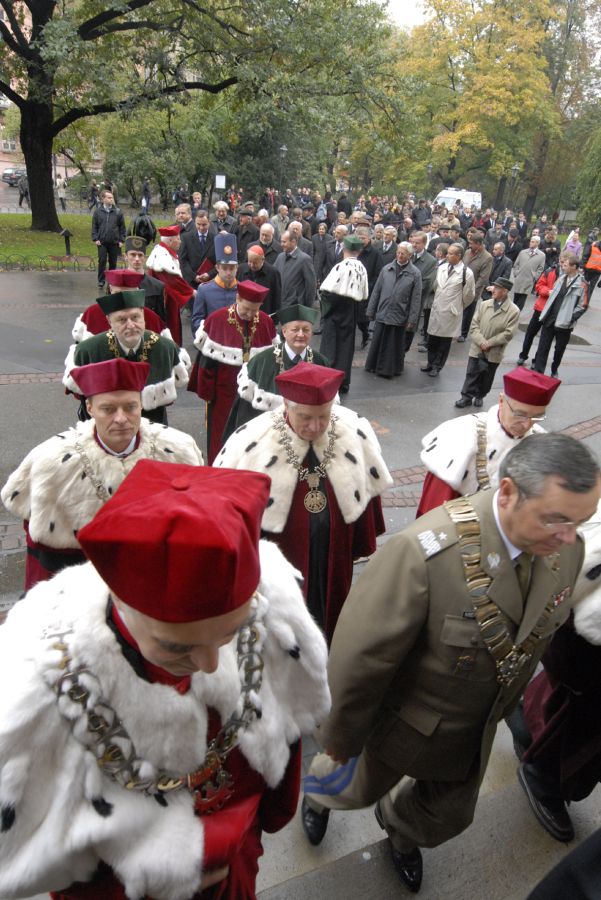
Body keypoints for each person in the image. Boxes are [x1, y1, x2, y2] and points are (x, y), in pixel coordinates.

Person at [0, 461, 330, 900]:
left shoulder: (271, 615)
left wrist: (239, 841)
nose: (211, 664)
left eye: (228, 634)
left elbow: (280, 751)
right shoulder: (41, 683)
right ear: (123, 605)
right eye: (178, 647)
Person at [302, 434, 601, 894]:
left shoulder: (566, 549)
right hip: (399, 727)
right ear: (507, 494)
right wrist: (340, 740)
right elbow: (359, 665)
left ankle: (398, 829)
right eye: (556, 519)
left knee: (448, 816)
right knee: (348, 785)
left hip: (471, 732)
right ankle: (319, 799)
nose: (568, 536)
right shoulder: (423, 556)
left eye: (578, 522)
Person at [217, 363, 391, 643]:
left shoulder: (353, 431)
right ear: (286, 404)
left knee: (329, 622)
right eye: (306, 417)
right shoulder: (252, 440)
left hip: (332, 559)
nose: (315, 426)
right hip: (280, 565)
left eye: (324, 417)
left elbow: (366, 497)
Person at [2, 358, 203, 590]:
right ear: (90, 408)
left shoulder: (179, 450)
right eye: (108, 409)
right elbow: (42, 563)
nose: (121, 419)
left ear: (141, 404)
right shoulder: (51, 462)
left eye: (130, 407)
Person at [506, 502, 601, 844]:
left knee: (569, 704)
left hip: (577, 632)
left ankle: (527, 724)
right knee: (584, 721)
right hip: (583, 631)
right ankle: (544, 778)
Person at [417, 367, 560, 515]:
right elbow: (434, 511)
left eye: (537, 417)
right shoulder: (461, 435)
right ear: (501, 400)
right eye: (520, 414)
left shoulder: (541, 444)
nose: (527, 424)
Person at [65, 288, 189, 425]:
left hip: (153, 428)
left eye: (135, 317)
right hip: (106, 430)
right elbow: (81, 396)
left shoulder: (165, 347)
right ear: (109, 321)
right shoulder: (88, 350)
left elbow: (178, 383)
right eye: (122, 320)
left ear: (143, 315)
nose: (130, 325)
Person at [191, 280, 276, 463]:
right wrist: (207, 393)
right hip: (223, 393)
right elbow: (207, 362)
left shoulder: (266, 322)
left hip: (254, 395)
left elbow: (272, 362)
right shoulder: (216, 319)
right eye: (246, 309)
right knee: (220, 437)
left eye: (255, 311)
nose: (250, 315)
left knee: (253, 438)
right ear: (237, 298)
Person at [224, 303, 329, 437]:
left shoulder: (321, 363)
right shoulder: (260, 362)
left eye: (306, 330)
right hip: (268, 438)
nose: (301, 334)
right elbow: (244, 415)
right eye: (295, 329)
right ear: (284, 332)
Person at [454, 277, 520, 409]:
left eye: (497, 288)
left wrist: (490, 343)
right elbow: (474, 325)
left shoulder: (513, 311)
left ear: (505, 291)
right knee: (471, 372)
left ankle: (480, 395)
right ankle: (466, 397)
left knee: (487, 375)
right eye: (493, 287)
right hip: (478, 347)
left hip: (494, 350)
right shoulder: (485, 304)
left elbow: (509, 333)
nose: (493, 290)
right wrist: (481, 341)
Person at [319, 234, 368, 393]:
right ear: (359, 251)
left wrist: (325, 308)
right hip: (351, 309)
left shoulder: (341, 266)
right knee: (346, 347)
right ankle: (343, 381)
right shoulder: (362, 268)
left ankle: (329, 379)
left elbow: (328, 291)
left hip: (336, 310)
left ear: (345, 249)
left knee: (331, 346)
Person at [365, 241, 421, 379]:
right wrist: (371, 310)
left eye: (403, 253)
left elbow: (416, 299)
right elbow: (377, 291)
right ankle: (372, 365)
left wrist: (412, 320)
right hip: (383, 312)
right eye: (398, 253)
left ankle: (389, 369)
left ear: (409, 255)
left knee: (392, 345)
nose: (400, 255)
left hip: (399, 314)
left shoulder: (415, 273)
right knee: (378, 341)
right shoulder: (386, 269)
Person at [422, 243, 475, 377]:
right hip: (437, 307)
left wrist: (456, 305)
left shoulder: (466, 273)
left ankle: (437, 366)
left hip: (451, 311)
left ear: (459, 256)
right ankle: (430, 363)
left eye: (451, 253)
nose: (447, 255)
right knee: (432, 338)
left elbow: (468, 296)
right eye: (448, 253)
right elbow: (436, 286)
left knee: (444, 342)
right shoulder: (442, 267)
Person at [532, 251, 589, 378]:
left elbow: (583, 305)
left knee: (559, 350)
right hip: (550, 319)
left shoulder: (582, 284)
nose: (562, 267)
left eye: (566, 265)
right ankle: (538, 372)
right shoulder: (561, 278)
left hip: (565, 324)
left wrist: (570, 318)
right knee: (542, 347)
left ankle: (554, 369)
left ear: (574, 267)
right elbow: (552, 297)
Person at [146, 225, 194, 346]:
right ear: (170, 240)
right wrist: (192, 292)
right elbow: (173, 281)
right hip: (165, 302)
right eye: (178, 239)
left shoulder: (163, 252)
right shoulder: (163, 256)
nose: (180, 241)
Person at [191, 233, 239, 334]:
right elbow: (196, 321)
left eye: (232, 268)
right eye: (224, 268)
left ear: (237, 267)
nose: (228, 272)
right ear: (217, 268)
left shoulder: (243, 290)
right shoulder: (204, 290)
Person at [517, 262, 560, 367]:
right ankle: (523, 355)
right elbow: (539, 285)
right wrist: (548, 291)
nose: (563, 265)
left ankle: (536, 360)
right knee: (530, 333)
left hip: (553, 312)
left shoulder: (568, 278)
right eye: (562, 262)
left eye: (565, 263)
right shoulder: (550, 271)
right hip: (540, 308)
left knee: (544, 339)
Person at [459, 232, 493, 341]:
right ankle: (456, 329)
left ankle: (463, 333)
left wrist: (471, 290)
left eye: (472, 243)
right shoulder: (468, 252)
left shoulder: (487, 257)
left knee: (468, 312)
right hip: (461, 286)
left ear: (479, 244)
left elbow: (483, 278)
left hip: (474, 290)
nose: (469, 246)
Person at [91, 189, 126, 289]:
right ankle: (101, 281)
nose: (111, 199)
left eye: (112, 197)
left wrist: (121, 240)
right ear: (103, 199)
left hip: (114, 242)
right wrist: (95, 238)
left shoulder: (118, 212)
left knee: (113, 262)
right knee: (102, 261)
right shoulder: (98, 212)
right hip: (101, 242)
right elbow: (94, 226)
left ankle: (111, 281)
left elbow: (122, 228)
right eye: (109, 197)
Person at [273, 229, 316, 308]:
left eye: (284, 242)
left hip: (295, 307)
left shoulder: (304, 259)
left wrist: (307, 307)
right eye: (281, 241)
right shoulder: (280, 257)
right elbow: (273, 278)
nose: (281, 244)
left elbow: (311, 286)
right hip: (279, 304)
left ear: (293, 242)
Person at [236, 245, 281, 316]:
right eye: (249, 261)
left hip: (264, 313)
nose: (252, 265)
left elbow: (277, 297)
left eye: (255, 262)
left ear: (262, 260)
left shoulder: (273, 273)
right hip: (245, 313)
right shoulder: (241, 269)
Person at [178, 208, 216, 288]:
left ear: (209, 223)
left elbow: (219, 262)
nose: (201, 228)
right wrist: (194, 276)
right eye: (198, 224)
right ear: (195, 222)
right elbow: (182, 260)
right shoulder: (185, 237)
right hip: (191, 282)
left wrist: (209, 274)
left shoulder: (216, 238)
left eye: (204, 225)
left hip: (211, 282)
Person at [510, 236, 546, 311]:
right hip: (519, 278)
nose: (530, 243)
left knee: (522, 300)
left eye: (533, 241)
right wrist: (516, 273)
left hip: (529, 280)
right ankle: (512, 314)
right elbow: (516, 264)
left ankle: (517, 314)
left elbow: (540, 268)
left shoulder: (542, 255)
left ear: (537, 243)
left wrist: (535, 277)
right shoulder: (523, 252)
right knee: (515, 298)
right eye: (531, 241)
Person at [582, 233, 601, 297]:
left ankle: (585, 304)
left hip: (597, 273)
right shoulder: (594, 245)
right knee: (581, 287)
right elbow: (586, 256)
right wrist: (582, 267)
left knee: (590, 289)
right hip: (587, 270)